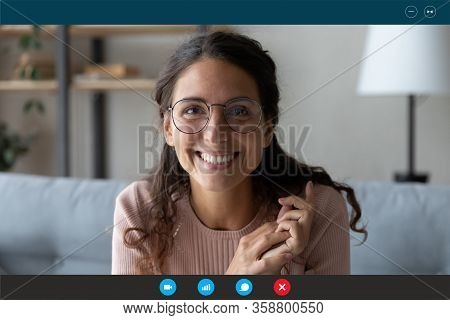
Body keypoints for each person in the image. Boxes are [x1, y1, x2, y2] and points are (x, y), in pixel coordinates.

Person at [112, 31, 366, 275]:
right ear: (168, 127)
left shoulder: (318, 209)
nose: (214, 134)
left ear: (267, 128)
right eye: (192, 110)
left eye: (239, 111)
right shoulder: (138, 209)